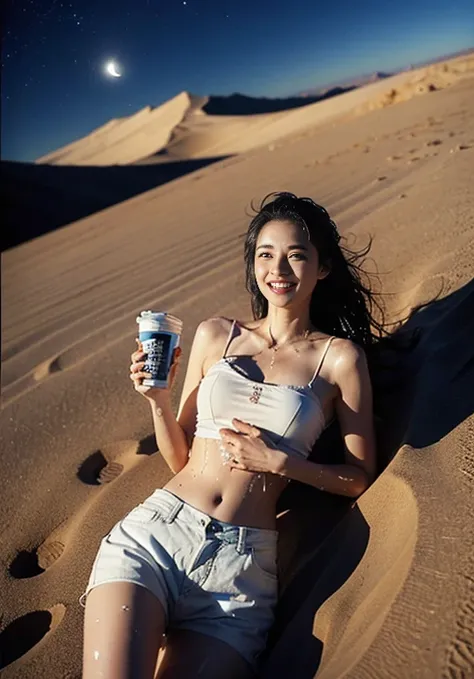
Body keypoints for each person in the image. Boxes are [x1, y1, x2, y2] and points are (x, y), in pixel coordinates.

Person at [81, 192, 377, 678]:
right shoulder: (217, 335)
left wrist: (280, 463)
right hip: (156, 535)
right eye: (266, 254)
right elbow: (180, 458)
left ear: (322, 268)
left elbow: (359, 477)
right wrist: (156, 400)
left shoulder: (340, 359)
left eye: (296, 255)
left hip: (238, 572)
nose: (278, 269)